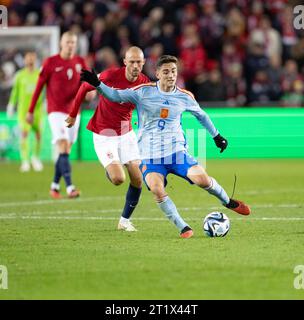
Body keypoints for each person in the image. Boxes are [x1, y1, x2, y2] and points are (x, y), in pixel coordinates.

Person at [80, 55, 251, 238]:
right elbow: (116, 95)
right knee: (156, 188)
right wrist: (98, 84)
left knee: (202, 179)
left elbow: (201, 115)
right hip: (150, 157)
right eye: (166, 72)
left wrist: (216, 136)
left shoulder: (184, 97)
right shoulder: (142, 92)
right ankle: (183, 227)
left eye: (174, 71)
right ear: (158, 74)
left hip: (176, 153)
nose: (171, 75)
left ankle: (228, 201)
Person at [66, 46, 149, 232]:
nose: (135, 65)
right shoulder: (110, 75)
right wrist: (73, 114)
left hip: (126, 132)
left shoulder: (145, 83)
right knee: (118, 178)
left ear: (143, 63)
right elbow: (86, 86)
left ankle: (124, 221)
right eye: (132, 62)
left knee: (138, 178)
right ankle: (111, 168)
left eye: (139, 62)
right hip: (105, 133)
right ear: (125, 62)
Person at [26, 31, 87, 199]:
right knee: (63, 144)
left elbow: (89, 85)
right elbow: (39, 87)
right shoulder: (51, 62)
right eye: (68, 42)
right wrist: (30, 110)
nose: (70, 45)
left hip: (74, 112)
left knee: (65, 150)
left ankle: (54, 186)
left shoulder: (81, 62)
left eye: (73, 42)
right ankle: (70, 188)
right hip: (55, 111)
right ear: (61, 43)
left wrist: (92, 93)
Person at [7, 51, 44, 172]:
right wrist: (11, 105)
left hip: (37, 111)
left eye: (32, 58)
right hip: (23, 111)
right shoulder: (20, 75)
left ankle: (35, 158)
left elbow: (45, 90)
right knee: (24, 134)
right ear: (24, 60)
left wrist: (47, 102)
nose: (30, 60)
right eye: (28, 58)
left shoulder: (40, 74)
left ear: (36, 59)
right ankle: (25, 161)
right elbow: (15, 92)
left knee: (38, 134)